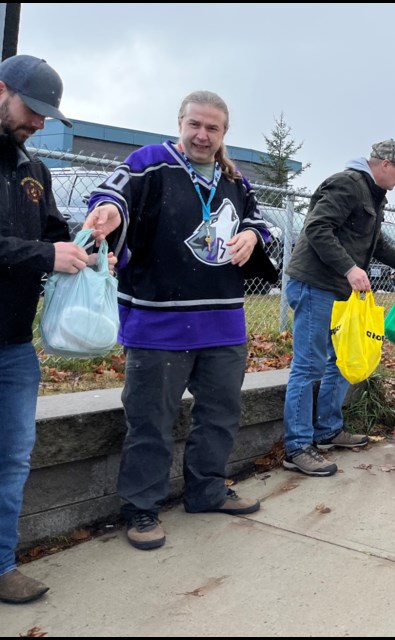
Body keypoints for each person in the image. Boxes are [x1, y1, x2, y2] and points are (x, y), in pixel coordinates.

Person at [84, 91, 277, 552]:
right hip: (158, 324)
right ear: (180, 122)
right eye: (194, 124)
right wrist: (109, 212)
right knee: (151, 419)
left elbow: (264, 224)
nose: (201, 135)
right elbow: (112, 194)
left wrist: (251, 233)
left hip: (223, 324)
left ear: (224, 133)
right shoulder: (151, 162)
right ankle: (141, 507)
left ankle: (206, 488)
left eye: (212, 128)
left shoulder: (235, 179)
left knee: (221, 414)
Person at [282, 140, 395, 476]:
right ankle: (298, 447)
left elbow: (376, 245)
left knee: (341, 359)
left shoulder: (372, 195)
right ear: (386, 164)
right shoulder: (347, 184)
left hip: (337, 291)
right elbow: (317, 228)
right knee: (309, 365)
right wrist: (349, 267)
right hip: (315, 284)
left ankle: (328, 430)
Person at [0, 54, 88, 604]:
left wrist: (88, 240)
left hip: (12, 345)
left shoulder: (35, 170)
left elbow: (55, 232)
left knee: (12, 459)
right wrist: (43, 254)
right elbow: (39, 250)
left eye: (47, 115)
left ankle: (2, 564)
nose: (39, 122)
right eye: (33, 109)